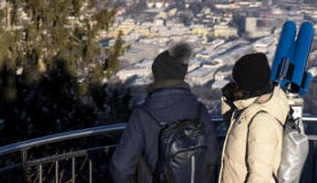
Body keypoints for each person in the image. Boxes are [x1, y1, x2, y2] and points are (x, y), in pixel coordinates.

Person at [110, 42, 218, 182]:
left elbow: (121, 167)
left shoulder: (143, 114)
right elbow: (213, 158)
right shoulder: (199, 110)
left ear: (157, 75)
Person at [218, 52, 289, 183]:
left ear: (246, 83)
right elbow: (237, 132)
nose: (235, 84)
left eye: (237, 81)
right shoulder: (252, 109)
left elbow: (260, 177)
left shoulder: (261, 122)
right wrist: (229, 101)